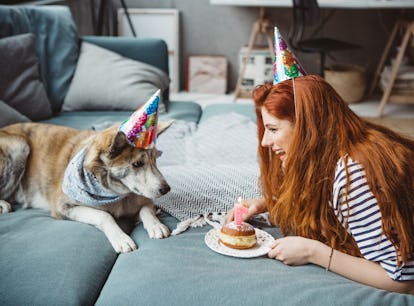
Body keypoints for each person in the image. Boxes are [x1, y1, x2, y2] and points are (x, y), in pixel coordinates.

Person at [226, 74, 414, 294]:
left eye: (274, 129)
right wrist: (270, 205)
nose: (266, 141)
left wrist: (313, 252)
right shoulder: (329, 154)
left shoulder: (352, 176)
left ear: (309, 127)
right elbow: (330, 213)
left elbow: (402, 280)